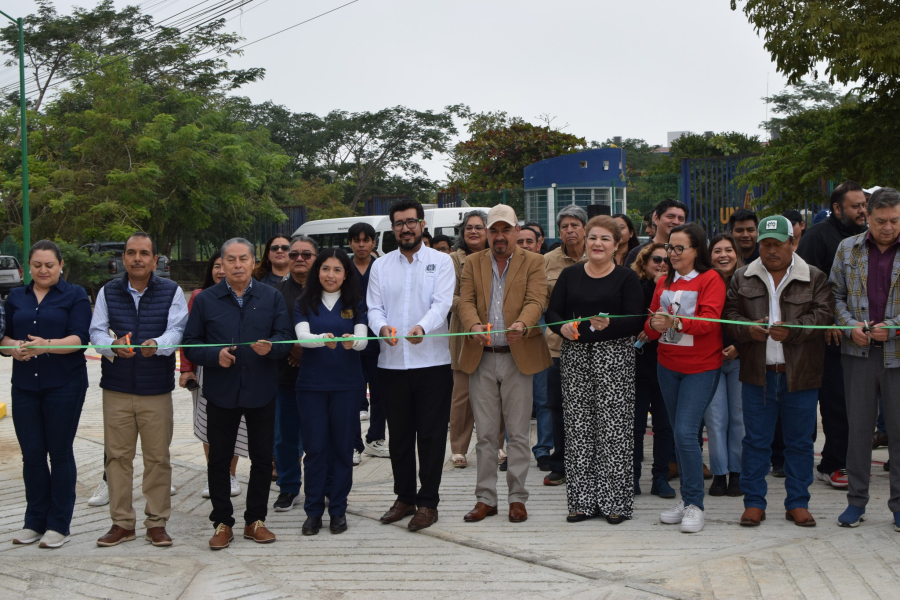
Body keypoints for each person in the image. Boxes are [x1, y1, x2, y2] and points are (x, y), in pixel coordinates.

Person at [183, 238, 293, 550]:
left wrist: (271, 348)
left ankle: (255, 520)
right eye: (230, 259)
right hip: (221, 391)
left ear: (253, 260)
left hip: (262, 389)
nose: (237, 265)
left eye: (243, 258)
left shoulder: (270, 297)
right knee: (218, 460)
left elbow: (285, 338)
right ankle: (222, 522)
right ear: (222, 263)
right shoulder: (207, 300)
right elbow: (191, 342)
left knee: (261, 459)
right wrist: (213, 355)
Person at [724, 215, 834, 527]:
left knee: (799, 443)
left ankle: (797, 502)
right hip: (758, 374)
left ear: (792, 242)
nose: (771, 250)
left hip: (800, 375)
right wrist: (748, 330)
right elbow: (729, 315)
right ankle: (754, 503)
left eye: (778, 243)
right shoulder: (742, 276)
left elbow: (824, 316)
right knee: (755, 442)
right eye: (765, 244)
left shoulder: (814, 276)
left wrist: (794, 330)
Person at [89, 232, 188, 548]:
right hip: (116, 389)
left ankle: (157, 522)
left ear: (155, 260)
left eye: (144, 253)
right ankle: (122, 523)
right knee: (117, 458)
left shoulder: (171, 291)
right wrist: (112, 346)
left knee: (157, 459)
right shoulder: (109, 291)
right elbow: (96, 331)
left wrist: (158, 345)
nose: (137, 259)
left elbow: (178, 329)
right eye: (131, 253)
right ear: (123, 258)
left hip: (156, 390)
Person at [547, 215, 644, 524]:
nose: (597, 243)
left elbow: (636, 318)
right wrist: (562, 327)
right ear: (585, 241)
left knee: (614, 431)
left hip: (614, 358)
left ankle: (615, 503)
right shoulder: (570, 275)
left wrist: (610, 324)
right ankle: (582, 503)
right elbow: (553, 313)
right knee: (578, 430)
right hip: (575, 357)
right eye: (592, 238)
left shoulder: (626, 277)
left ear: (616, 245)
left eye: (605, 239)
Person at [458, 205, 551, 524]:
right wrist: (472, 327)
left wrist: (523, 325)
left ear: (515, 231)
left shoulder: (535, 261)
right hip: (481, 357)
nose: (499, 237)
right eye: (493, 231)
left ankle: (517, 498)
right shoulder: (472, 262)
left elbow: (538, 300)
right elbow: (464, 301)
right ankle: (485, 498)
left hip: (517, 356)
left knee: (518, 433)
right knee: (485, 435)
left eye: (505, 230)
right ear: (487, 233)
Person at [367, 199, 454, 531]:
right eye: (399, 223)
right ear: (393, 229)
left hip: (431, 362)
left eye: (411, 221)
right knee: (399, 436)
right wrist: (382, 328)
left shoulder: (441, 262)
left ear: (422, 225)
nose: (405, 227)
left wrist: (422, 327)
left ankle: (428, 503)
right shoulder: (381, 266)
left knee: (431, 436)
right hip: (391, 365)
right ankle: (404, 497)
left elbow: (442, 304)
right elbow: (374, 308)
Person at [2, 240, 91, 549]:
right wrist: (12, 348)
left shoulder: (75, 295)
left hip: (65, 384)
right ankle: (34, 521)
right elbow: (4, 338)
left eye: (49, 265)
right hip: (25, 385)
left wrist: (47, 345)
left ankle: (59, 524)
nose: (43, 270)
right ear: (29, 266)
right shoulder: (15, 296)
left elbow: (80, 339)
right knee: (33, 455)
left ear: (60, 265)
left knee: (60, 452)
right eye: (37, 265)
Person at [646, 223, 726, 533]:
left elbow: (710, 321)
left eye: (680, 248)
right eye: (670, 247)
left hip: (701, 367)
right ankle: (686, 499)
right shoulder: (663, 280)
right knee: (682, 435)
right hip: (667, 365)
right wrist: (653, 323)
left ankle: (695, 504)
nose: (673, 254)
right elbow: (652, 321)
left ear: (697, 251)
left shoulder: (710, 279)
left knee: (684, 432)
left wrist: (675, 322)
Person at [831, 188, 900, 530]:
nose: (888, 228)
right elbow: (834, 296)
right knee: (858, 431)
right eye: (881, 221)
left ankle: (899, 505)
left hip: (897, 354)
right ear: (867, 217)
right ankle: (856, 502)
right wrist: (848, 327)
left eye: (895, 220)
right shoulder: (848, 249)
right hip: (857, 353)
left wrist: (896, 328)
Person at [797, 180, 868, 489]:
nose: (863, 211)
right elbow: (806, 287)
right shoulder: (817, 237)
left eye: (865, 205)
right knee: (837, 403)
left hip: (863, 335)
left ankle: (851, 461)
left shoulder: (866, 238)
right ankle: (832, 464)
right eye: (856, 206)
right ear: (837, 208)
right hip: (827, 338)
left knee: (860, 404)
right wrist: (828, 324)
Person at [294, 248, 369, 535]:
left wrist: (353, 341)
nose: (330, 275)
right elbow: (301, 337)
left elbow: (362, 339)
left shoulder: (355, 303)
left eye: (337, 269)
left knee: (341, 449)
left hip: (347, 386)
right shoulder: (305, 302)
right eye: (325, 268)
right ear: (317, 271)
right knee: (314, 450)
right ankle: (313, 511)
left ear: (346, 274)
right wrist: (320, 339)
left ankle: (338, 509)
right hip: (311, 386)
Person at [179, 252, 246, 500]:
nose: (220, 270)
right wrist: (186, 369)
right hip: (206, 371)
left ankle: (231, 473)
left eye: (224, 265)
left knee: (236, 425)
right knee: (208, 425)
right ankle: (214, 474)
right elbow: (190, 337)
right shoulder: (200, 296)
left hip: (237, 369)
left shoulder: (244, 297)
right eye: (217, 266)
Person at [271, 236, 318, 511]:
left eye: (307, 254)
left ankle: (319, 485)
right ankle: (289, 487)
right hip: (284, 376)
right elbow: (267, 331)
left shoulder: (328, 291)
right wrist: (292, 348)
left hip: (319, 377)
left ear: (317, 258)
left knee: (318, 436)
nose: (299, 258)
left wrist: (307, 350)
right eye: (294, 253)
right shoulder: (274, 294)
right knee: (284, 438)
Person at [542, 205, 588, 486]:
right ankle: (559, 462)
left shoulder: (598, 255)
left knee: (586, 407)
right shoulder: (546, 261)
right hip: (557, 346)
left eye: (574, 225)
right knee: (556, 406)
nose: (569, 230)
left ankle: (586, 462)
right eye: (564, 227)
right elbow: (544, 303)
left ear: (585, 229)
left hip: (592, 345)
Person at [448, 210, 497, 469]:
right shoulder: (453, 260)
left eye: (479, 227)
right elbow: (450, 296)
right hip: (464, 331)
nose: (474, 231)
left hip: (495, 331)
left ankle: (498, 445)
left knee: (495, 393)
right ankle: (458, 449)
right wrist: (472, 313)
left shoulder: (497, 257)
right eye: (469, 227)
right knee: (462, 396)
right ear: (462, 231)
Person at [631, 243, 676, 499]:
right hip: (639, 366)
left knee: (664, 426)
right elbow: (634, 324)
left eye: (666, 261)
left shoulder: (677, 289)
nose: (661, 264)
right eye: (656, 259)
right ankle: (633, 477)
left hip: (668, 365)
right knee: (636, 426)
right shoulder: (636, 287)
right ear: (645, 262)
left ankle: (660, 477)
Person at [705, 234, 745, 497]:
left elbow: (760, 320)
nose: (723, 255)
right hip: (710, 360)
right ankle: (719, 474)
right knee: (715, 419)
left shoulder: (750, 280)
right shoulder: (704, 283)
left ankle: (737, 474)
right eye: (717, 250)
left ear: (737, 254)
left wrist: (740, 348)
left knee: (739, 419)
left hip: (742, 359)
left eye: (728, 250)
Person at [348, 222, 388, 460]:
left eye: (366, 240)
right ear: (351, 243)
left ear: (374, 242)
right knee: (353, 392)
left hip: (379, 338)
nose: (361, 244)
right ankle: (353, 443)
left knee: (380, 392)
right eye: (356, 240)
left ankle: (376, 438)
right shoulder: (343, 267)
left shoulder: (382, 267)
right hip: (350, 339)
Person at [517, 226, 554, 469]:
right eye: (520, 241)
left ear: (539, 243)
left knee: (544, 400)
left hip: (541, 341)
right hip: (512, 341)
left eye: (530, 241)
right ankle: (514, 452)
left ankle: (543, 449)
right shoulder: (503, 266)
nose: (525, 245)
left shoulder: (543, 265)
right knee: (515, 402)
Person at [625, 199, 689, 267]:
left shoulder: (688, 252)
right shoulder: (637, 253)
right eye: (670, 216)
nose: (676, 222)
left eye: (681, 219)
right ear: (656, 218)